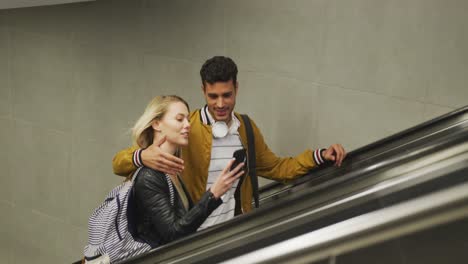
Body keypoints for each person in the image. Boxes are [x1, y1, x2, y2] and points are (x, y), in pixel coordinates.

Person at [113, 56, 346, 230]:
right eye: (213, 96)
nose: (221, 103)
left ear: (236, 88)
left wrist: (319, 156)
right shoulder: (187, 128)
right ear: (203, 90)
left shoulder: (246, 128)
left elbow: (277, 168)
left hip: (232, 234)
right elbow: (118, 164)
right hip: (194, 235)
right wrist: (140, 156)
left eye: (227, 95)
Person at [131, 95, 244, 247]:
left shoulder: (173, 171)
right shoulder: (149, 177)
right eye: (179, 119)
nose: (187, 125)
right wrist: (213, 194)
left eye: (187, 119)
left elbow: (186, 225)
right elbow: (172, 233)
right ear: (157, 124)